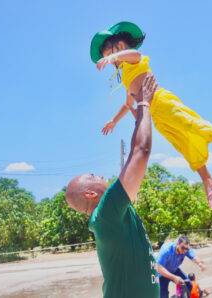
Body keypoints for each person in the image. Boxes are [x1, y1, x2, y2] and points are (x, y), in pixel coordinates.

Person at [91, 21, 212, 210]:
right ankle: (208, 180)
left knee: (192, 124)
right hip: (155, 116)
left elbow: (136, 54)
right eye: (109, 58)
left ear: (121, 47)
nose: (112, 61)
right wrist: (114, 121)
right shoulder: (125, 75)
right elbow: (128, 103)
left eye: (111, 55)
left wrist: (115, 56)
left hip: (161, 101)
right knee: (183, 143)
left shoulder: (133, 59)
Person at [65, 75, 160, 297]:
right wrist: (143, 103)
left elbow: (137, 153)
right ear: (89, 193)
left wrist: (138, 118)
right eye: (92, 175)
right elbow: (140, 151)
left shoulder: (111, 214)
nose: (98, 174)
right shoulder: (107, 212)